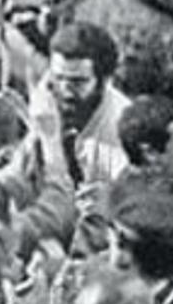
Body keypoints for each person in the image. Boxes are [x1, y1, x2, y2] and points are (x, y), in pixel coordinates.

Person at [34, 21, 130, 187]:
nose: (64, 90)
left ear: (105, 80)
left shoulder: (121, 129)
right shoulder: (44, 98)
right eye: (58, 78)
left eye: (77, 82)